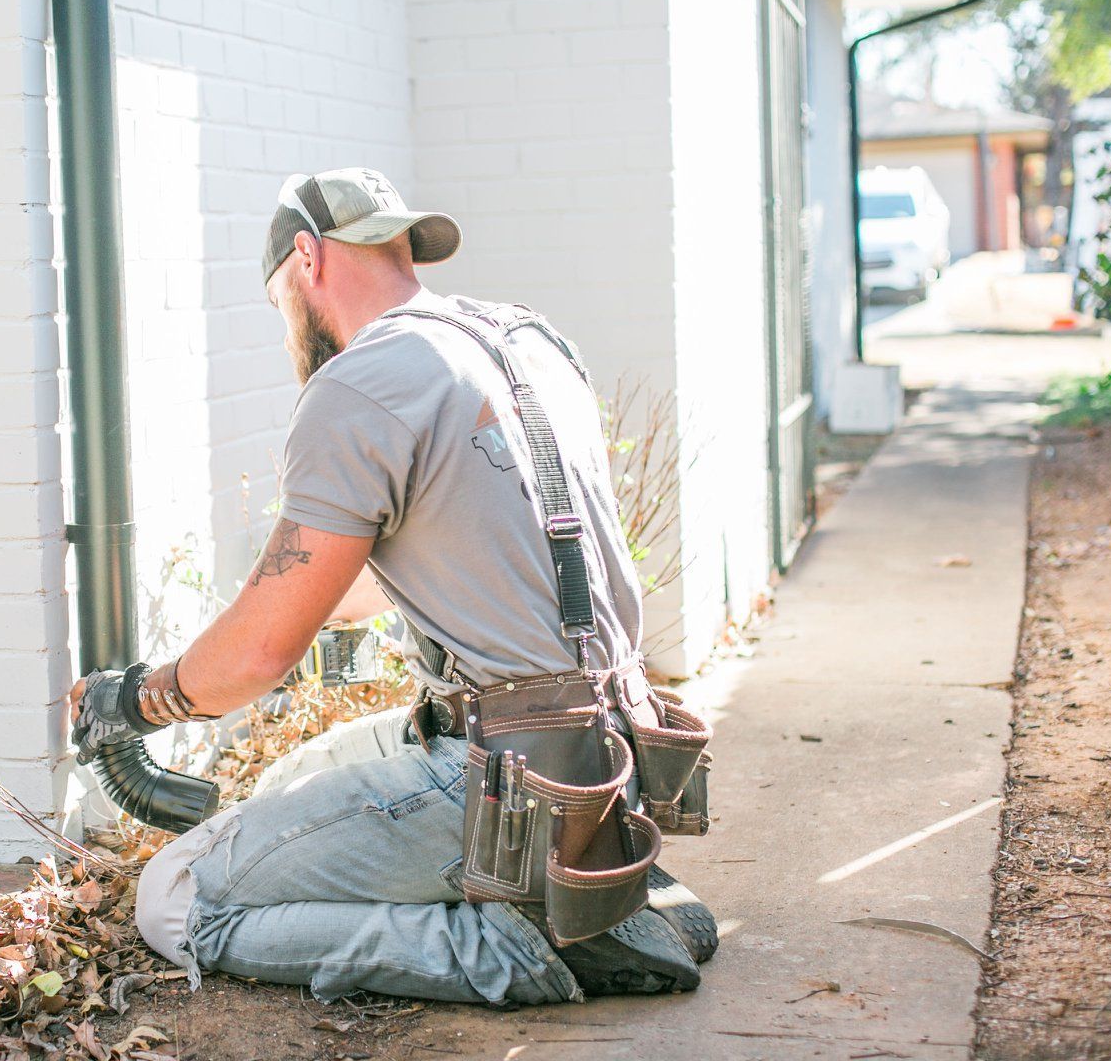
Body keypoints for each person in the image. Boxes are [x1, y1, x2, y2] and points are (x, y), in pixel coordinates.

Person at [68, 167, 715, 1005]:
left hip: (504, 776)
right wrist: (301, 626)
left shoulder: (360, 381)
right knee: (284, 784)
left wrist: (141, 699)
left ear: (307, 260)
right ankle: (598, 891)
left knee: (177, 898)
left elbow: (257, 654)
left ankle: (511, 940)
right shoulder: (524, 340)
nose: (287, 331)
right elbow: (484, 556)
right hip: (612, 752)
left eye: (278, 308)